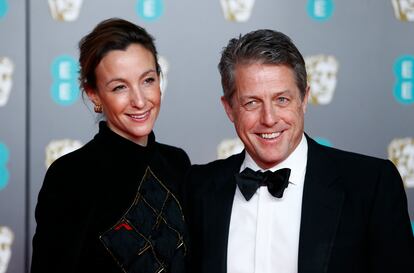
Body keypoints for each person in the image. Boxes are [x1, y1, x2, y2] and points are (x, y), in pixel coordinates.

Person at [183, 29, 414, 273]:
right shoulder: (198, 187)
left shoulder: (371, 184)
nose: (269, 119)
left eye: (282, 99)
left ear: (304, 99)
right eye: (252, 102)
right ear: (229, 109)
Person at [31, 18, 190, 273]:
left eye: (147, 80)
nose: (139, 100)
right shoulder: (70, 176)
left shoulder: (177, 163)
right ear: (93, 93)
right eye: (119, 87)